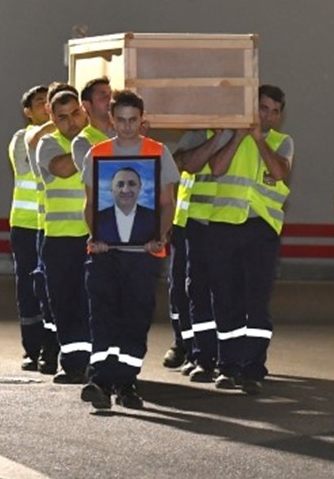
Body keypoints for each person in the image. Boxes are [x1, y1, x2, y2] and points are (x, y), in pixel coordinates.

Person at [79, 90, 180, 410]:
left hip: (144, 256)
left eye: (132, 120)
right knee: (103, 316)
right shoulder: (97, 153)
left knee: (135, 319)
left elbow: (167, 203)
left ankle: (127, 382)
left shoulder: (157, 152)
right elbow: (90, 204)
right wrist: (95, 236)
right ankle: (100, 380)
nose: (126, 126)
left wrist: (159, 237)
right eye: (120, 120)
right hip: (105, 253)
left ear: (142, 120)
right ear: (111, 120)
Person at [207, 85, 294, 393]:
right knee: (226, 298)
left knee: (256, 301)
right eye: (262, 108)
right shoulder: (230, 135)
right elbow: (217, 169)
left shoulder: (282, 142)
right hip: (225, 226)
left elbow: (279, 172)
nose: (267, 116)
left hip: (261, 229)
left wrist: (258, 140)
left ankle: (253, 368)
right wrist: (239, 137)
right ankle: (227, 366)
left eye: (274, 111)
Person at [35, 90, 93, 384]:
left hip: (93, 237)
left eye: (75, 114)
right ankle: (72, 364)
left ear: (84, 111)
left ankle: (96, 363)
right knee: (64, 303)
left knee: (93, 302)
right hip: (60, 239)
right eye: (63, 117)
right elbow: (62, 168)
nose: (72, 122)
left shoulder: (97, 139)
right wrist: (93, 145)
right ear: (52, 119)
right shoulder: (48, 144)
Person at [163, 129, 225, 371]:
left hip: (217, 221)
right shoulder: (197, 133)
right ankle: (185, 344)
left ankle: (207, 351)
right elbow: (180, 164)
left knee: (207, 290)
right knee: (179, 289)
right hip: (184, 220)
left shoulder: (237, 134)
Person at [8, 84, 58, 372]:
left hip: (51, 224)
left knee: (51, 289)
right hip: (26, 226)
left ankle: (53, 347)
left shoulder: (61, 138)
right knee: (28, 290)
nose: (47, 106)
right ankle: (32, 349)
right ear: (27, 112)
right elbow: (33, 148)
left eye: (50, 101)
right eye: (41, 102)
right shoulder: (22, 138)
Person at [93, 166, 157, 245]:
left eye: (132, 184)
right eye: (120, 185)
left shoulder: (154, 218)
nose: (126, 190)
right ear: (111, 188)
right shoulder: (97, 219)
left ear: (139, 187)